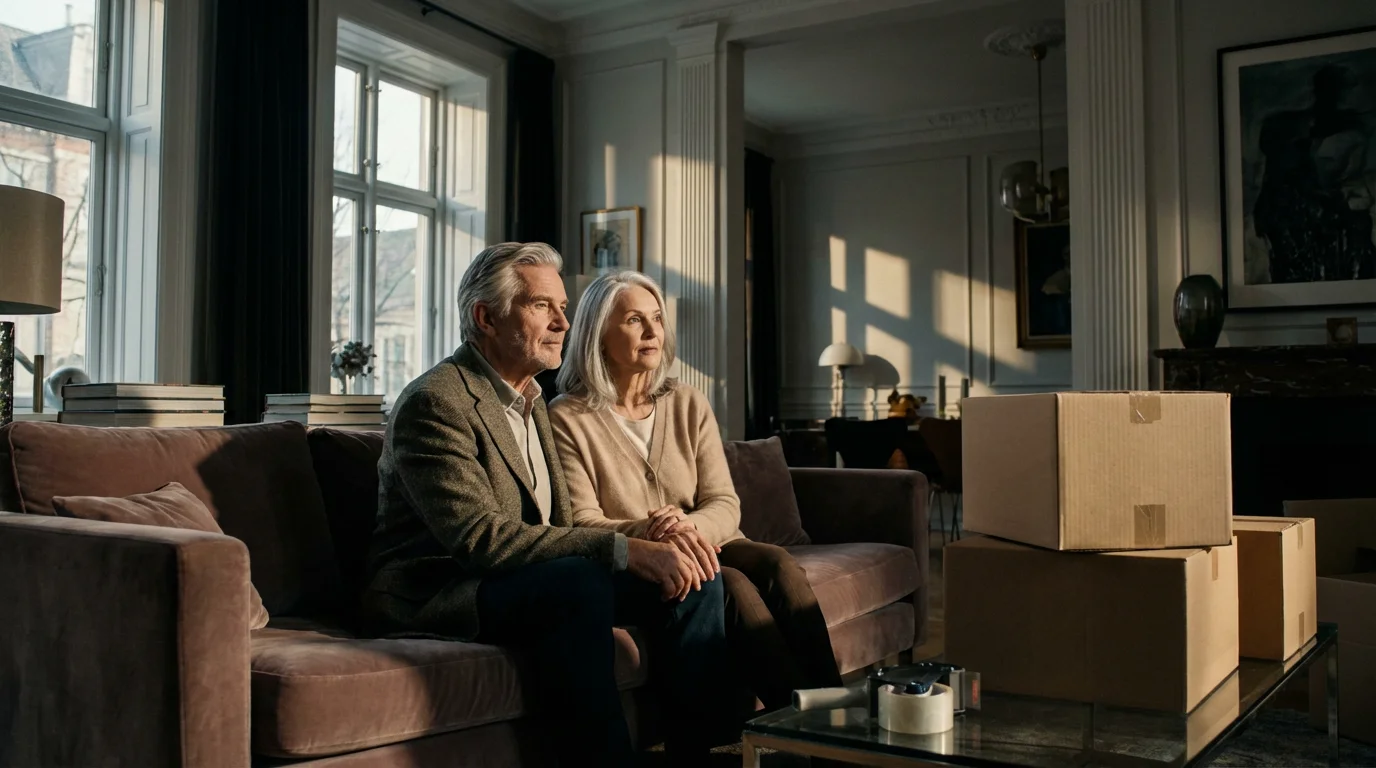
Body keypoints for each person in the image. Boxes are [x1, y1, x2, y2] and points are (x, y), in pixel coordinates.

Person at [361, 243, 731, 767]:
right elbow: (482, 540)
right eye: (542, 306)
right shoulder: (435, 402)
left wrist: (657, 544)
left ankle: (697, 755)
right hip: (447, 586)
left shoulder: (532, 396)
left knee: (693, 575)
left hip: (529, 573)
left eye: (563, 307)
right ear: (486, 318)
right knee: (577, 582)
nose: (563, 323)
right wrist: (626, 549)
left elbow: (559, 524)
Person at [549, 270, 843, 713]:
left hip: (707, 539)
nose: (653, 332)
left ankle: (835, 710)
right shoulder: (567, 417)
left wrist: (685, 528)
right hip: (638, 560)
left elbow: (724, 502)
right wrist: (653, 532)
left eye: (657, 318)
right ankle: (806, 720)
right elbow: (582, 520)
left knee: (778, 563)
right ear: (598, 334)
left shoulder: (687, 401)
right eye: (634, 320)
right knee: (730, 584)